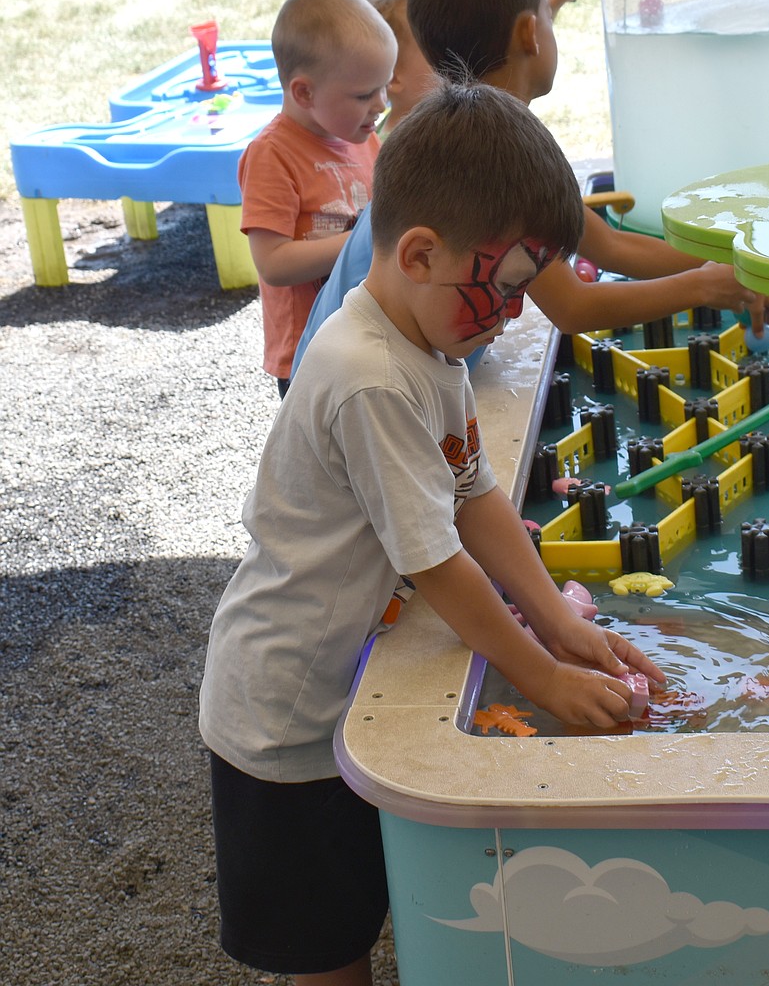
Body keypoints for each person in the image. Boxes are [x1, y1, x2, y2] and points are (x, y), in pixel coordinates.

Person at [200, 81, 664, 986]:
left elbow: (475, 493)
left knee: (363, 909)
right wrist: (545, 680)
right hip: (284, 715)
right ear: (419, 251)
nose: (520, 314)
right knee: (324, 951)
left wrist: (560, 625)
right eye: (509, 287)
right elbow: (438, 563)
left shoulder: (426, 342)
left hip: (334, 683)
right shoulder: (368, 374)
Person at [290, 0, 769, 377]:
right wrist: (703, 286)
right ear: (531, 33)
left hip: (368, 367)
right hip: (357, 381)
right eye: (548, 17)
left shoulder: (483, 130)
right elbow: (573, 306)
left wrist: (732, 263)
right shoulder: (479, 156)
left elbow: (611, 246)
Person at [239, 0, 397, 396]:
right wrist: (362, 241)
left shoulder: (364, 140)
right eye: (365, 94)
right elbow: (272, 262)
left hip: (364, 340)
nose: (380, 105)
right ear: (304, 92)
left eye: (384, 87)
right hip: (310, 355)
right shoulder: (272, 154)